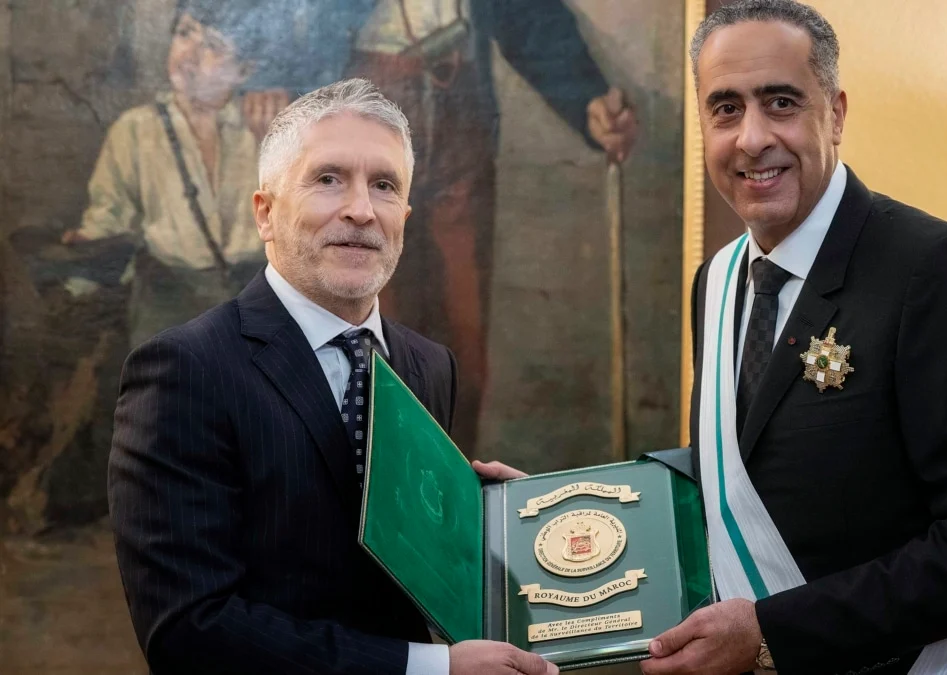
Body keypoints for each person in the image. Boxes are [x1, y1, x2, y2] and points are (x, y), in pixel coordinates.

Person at [641, 2, 947, 674]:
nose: (752, 138)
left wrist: (775, 634)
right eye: (725, 108)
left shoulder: (935, 269)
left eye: (781, 102)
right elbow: (755, 470)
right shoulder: (715, 281)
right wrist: (595, 502)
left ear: (835, 114)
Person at [108, 78, 551, 675]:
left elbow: (410, 569)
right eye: (328, 179)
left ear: (404, 217)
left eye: (385, 186)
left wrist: (509, 526)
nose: (361, 210)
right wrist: (430, 669)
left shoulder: (429, 364)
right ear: (265, 213)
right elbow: (188, 630)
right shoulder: (184, 370)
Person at [237, 0, 640, 451]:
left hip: (459, 115)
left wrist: (585, 97)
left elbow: (526, 15)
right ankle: (362, 481)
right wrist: (268, 72)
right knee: (366, 326)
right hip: (358, 103)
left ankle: (451, 481)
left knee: (463, 333)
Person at [62, 1, 266, 348]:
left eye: (212, 45)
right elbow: (108, 220)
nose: (188, 56)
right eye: (184, 34)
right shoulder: (135, 130)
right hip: (167, 313)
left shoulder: (264, 129)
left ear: (244, 69)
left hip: (254, 312)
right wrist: (84, 255)